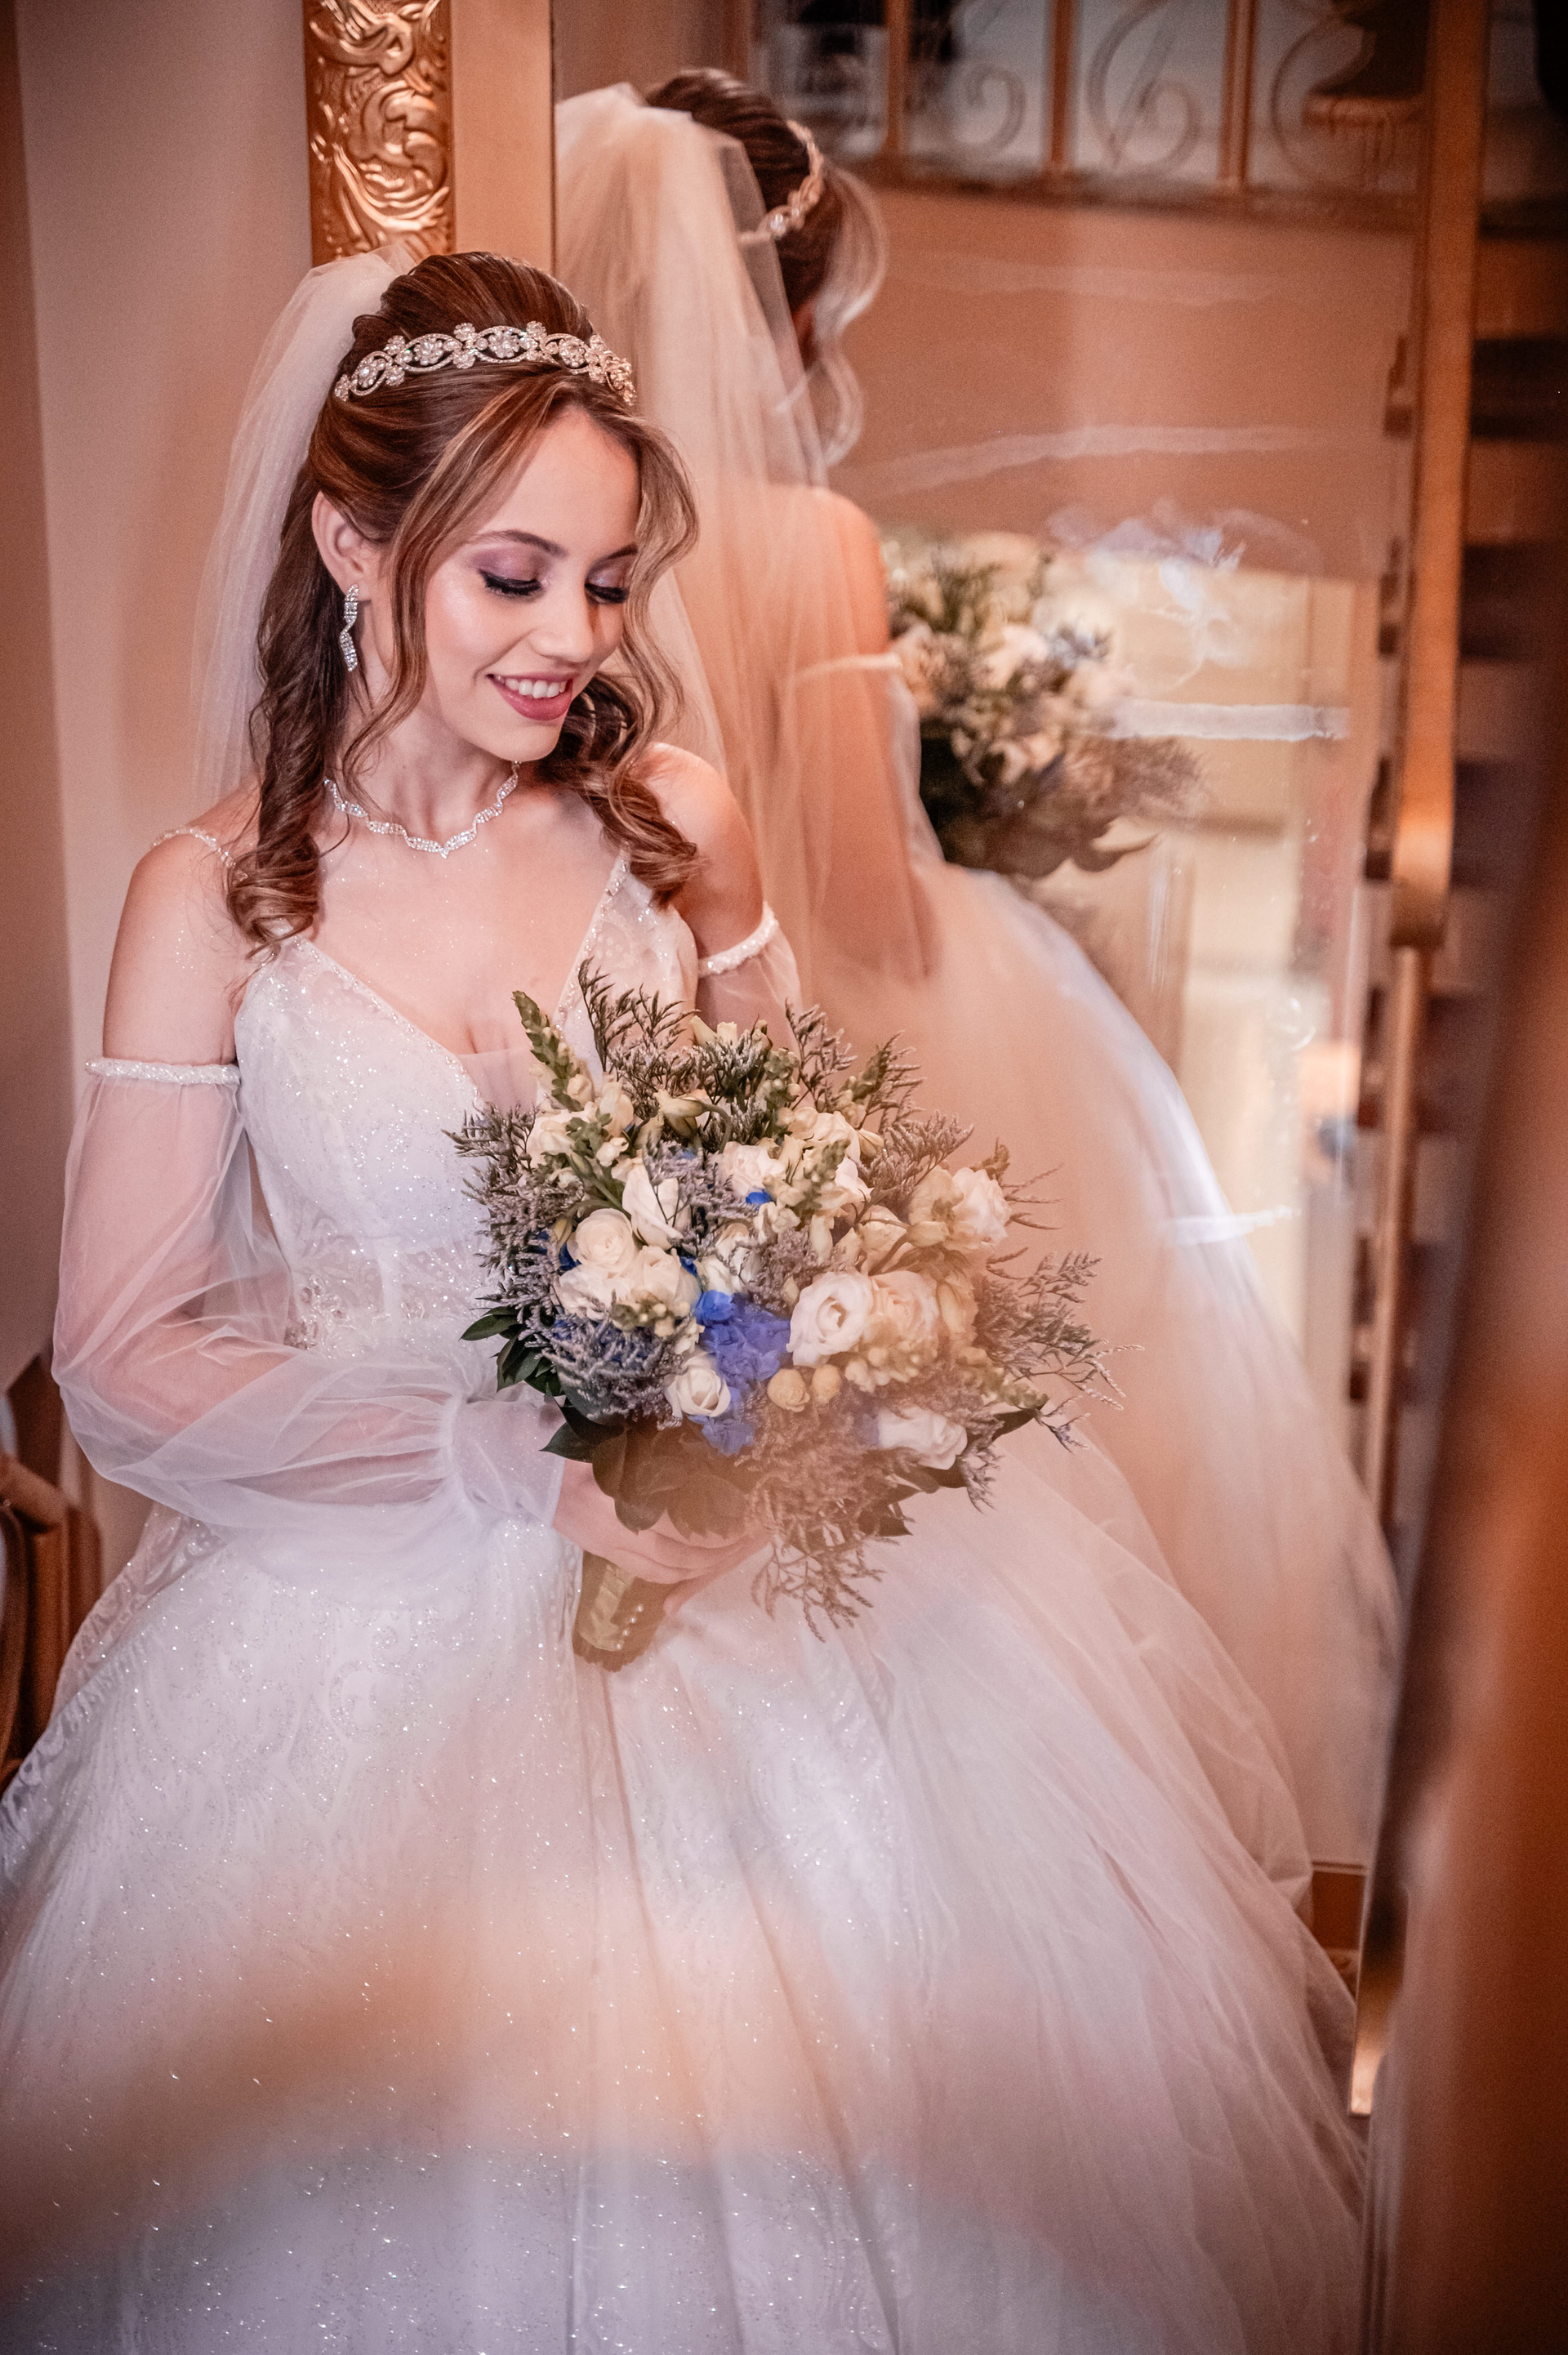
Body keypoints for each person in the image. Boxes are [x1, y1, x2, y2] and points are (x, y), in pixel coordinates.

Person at [0, 249, 1362, 2351]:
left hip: (726, 1576)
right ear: (353, 546)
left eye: (612, 582)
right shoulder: (215, 894)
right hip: (348, 1602)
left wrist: (759, 1384)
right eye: (514, 575)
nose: (574, 638)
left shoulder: (671, 827)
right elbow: (119, 1350)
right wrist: (499, 1463)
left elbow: (815, 1202)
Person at [555, 75, 1400, 1870]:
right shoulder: (818, 540)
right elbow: (869, 906)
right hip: (819, 1012)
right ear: (779, 314)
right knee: (1002, 1438)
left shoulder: (573, 556)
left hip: (628, 1014)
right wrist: (971, 839)